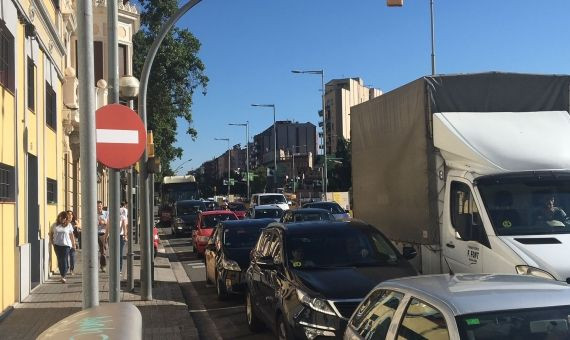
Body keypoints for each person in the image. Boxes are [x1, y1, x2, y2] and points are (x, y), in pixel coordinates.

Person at [50, 211, 76, 283]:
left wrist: (73, 244)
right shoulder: (54, 225)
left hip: (66, 245)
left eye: (65, 218)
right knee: (60, 260)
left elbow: (71, 235)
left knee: (64, 259)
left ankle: (63, 276)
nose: (63, 219)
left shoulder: (69, 225)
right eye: (62, 217)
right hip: (57, 245)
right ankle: (63, 273)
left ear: (66, 218)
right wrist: (52, 241)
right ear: (59, 217)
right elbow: (51, 233)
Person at [66, 210, 80, 275]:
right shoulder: (65, 222)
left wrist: (77, 226)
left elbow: (80, 227)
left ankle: (71, 269)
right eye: (68, 214)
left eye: (71, 214)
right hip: (66, 241)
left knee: (72, 256)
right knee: (65, 256)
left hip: (74, 240)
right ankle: (66, 268)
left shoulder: (75, 222)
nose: (70, 215)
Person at [97, 200, 109, 272]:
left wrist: (103, 222)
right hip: (95, 233)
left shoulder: (106, 213)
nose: (98, 207)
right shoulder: (93, 214)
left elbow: (108, 223)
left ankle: (103, 265)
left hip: (103, 233)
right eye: (97, 206)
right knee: (96, 251)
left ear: (102, 206)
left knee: (103, 251)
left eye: (100, 206)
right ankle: (94, 266)